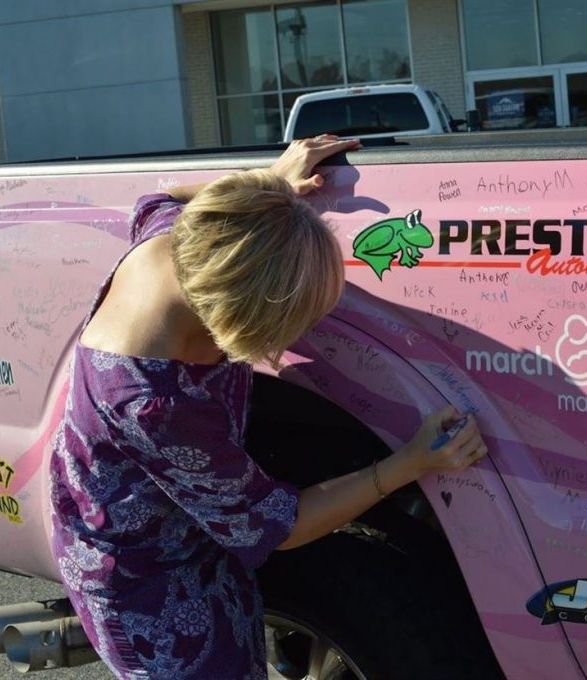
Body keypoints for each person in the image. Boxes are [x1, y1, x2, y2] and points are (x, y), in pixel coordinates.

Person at [48, 136, 487, 679]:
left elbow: (160, 199)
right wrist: (411, 464)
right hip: (148, 582)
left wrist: (271, 185)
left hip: (173, 526)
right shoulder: (157, 403)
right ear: (239, 323)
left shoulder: (179, 241)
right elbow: (282, 523)